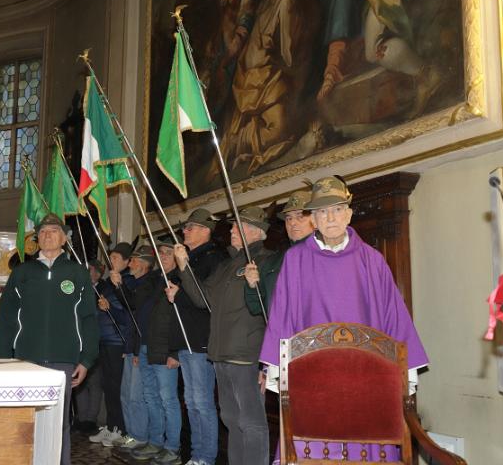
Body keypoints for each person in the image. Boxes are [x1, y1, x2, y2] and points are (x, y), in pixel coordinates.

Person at [259, 176, 428, 461]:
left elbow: (394, 316)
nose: (330, 218)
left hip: (365, 380)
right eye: (322, 212)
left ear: (348, 214)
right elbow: (282, 316)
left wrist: (404, 372)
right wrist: (275, 367)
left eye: (337, 209)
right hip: (312, 382)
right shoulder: (295, 260)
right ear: (313, 219)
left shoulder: (372, 260)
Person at [170, 207, 274, 465]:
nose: (231, 230)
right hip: (220, 353)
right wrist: (183, 266)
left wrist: (267, 362)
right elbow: (202, 299)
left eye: (238, 226)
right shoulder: (228, 265)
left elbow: (271, 308)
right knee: (230, 418)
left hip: (247, 354)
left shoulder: (267, 260)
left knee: (251, 422)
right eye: (233, 226)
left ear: (255, 231)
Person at [0, 213, 99, 465]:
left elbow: (88, 318)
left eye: (53, 231)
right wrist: (5, 358)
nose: (47, 235)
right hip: (25, 360)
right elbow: (6, 317)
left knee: (59, 422)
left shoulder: (77, 273)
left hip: (64, 360)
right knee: (25, 420)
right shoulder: (22, 273)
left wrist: (86, 359)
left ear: (64, 239)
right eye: (42, 232)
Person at [243, 189, 315, 393]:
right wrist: (252, 285)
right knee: (290, 410)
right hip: (283, 349)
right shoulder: (274, 261)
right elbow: (258, 307)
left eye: (300, 216)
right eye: (289, 218)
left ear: (316, 218)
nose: (293, 223)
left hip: (316, 347)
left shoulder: (326, 256)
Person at [170, 209, 226, 465]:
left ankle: (207, 457)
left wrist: (180, 286)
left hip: (201, 338)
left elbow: (202, 298)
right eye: (185, 227)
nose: (185, 231)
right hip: (186, 338)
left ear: (206, 230)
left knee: (202, 402)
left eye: (191, 227)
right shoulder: (192, 257)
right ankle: (196, 454)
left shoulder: (214, 258)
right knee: (191, 402)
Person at [130, 239, 184, 464]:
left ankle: (173, 448)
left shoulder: (181, 280)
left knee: (168, 399)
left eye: (168, 253)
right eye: (160, 253)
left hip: (165, 348)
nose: (163, 256)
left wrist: (176, 352)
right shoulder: (153, 279)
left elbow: (182, 321)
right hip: (146, 346)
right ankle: (155, 442)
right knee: (150, 397)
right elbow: (138, 313)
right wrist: (136, 349)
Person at [111, 245, 158, 453]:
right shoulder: (137, 283)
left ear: (145, 263)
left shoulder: (149, 283)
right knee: (125, 394)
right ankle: (132, 433)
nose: (130, 264)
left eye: (134, 260)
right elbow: (131, 317)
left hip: (140, 348)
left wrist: (118, 286)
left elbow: (137, 312)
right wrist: (129, 347)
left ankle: (139, 436)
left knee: (136, 396)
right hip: (132, 347)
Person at [88, 245, 133, 447]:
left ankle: (120, 428)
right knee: (107, 386)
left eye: (115, 257)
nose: (111, 261)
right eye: (110, 257)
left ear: (126, 261)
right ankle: (111, 425)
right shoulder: (107, 283)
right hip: (104, 340)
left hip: (118, 342)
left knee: (117, 388)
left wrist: (110, 307)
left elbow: (128, 315)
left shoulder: (127, 282)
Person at [73, 261, 106, 436]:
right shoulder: (79, 289)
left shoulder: (103, 289)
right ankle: (81, 417)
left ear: (98, 274)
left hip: (97, 341)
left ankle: (91, 419)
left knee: (94, 383)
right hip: (79, 341)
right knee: (79, 382)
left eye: (89, 270)